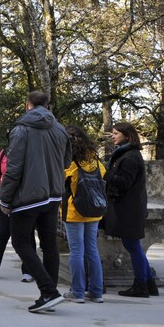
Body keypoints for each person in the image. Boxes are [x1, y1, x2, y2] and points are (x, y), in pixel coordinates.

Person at [0, 90, 71, 313]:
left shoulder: (21, 129)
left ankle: (49, 291)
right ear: (47, 106)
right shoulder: (60, 129)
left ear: (27, 104)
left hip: (28, 198)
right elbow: (66, 161)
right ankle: (48, 294)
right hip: (53, 195)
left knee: (21, 242)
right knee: (49, 244)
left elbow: (14, 168)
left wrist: (5, 199)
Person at [104, 121, 157, 297]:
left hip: (130, 209)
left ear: (127, 136)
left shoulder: (130, 157)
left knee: (133, 246)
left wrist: (107, 174)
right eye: (112, 133)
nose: (113, 136)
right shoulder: (127, 154)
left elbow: (125, 182)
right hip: (130, 207)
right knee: (133, 246)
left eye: (116, 133)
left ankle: (141, 285)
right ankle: (149, 284)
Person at [62, 125, 107, 304]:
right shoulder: (94, 159)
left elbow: (61, 182)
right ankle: (96, 292)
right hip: (94, 210)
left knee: (76, 252)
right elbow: (103, 175)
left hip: (75, 211)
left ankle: (78, 292)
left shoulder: (70, 162)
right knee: (92, 251)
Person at [0, 146, 35, 282]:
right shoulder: (4, 153)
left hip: (25, 201)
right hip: (7, 201)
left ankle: (29, 270)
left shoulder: (30, 151)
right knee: (2, 234)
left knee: (27, 235)